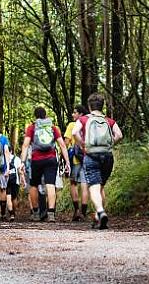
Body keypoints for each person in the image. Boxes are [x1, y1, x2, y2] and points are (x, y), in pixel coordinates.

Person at [72, 93, 123, 230]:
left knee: (94, 186)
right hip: (107, 156)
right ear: (102, 106)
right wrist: (109, 144)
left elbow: (74, 133)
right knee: (101, 187)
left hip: (91, 155)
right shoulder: (108, 120)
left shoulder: (83, 120)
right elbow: (119, 135)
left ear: (89, 106)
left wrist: (82, 145)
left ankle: (100, 211)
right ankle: (97, 216)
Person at [20, 107, 71, 222]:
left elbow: (25, 145)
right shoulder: (53, 128)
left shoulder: (32, 128)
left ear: (35, 116)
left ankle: (36, 213)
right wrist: (67, 162)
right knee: (50, 184)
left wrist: (22, 162)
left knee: (33, 185)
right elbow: (62, 145)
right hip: (51, 159)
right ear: (45, 115)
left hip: (36, 160)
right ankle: (51, 214)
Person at [65, 105, 90, 221]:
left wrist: (64, 157)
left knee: (73, 183)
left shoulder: (72, 125)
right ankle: (84, 213)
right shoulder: (89, 124)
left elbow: (66, 142)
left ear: (80, 114)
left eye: (75, 113)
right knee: (85, 185)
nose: (73, 115)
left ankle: (76, 211)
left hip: (75, 159)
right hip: (87, 158)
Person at [4, 151, 26, 221]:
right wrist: (23, 180)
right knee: (14, 198)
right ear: (11, 151)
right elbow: (20, 171)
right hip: (15, 181)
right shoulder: (17, 159)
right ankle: (14, 212)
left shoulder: (3, 159)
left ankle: (11, 214)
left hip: (6, 181)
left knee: (8, 197)